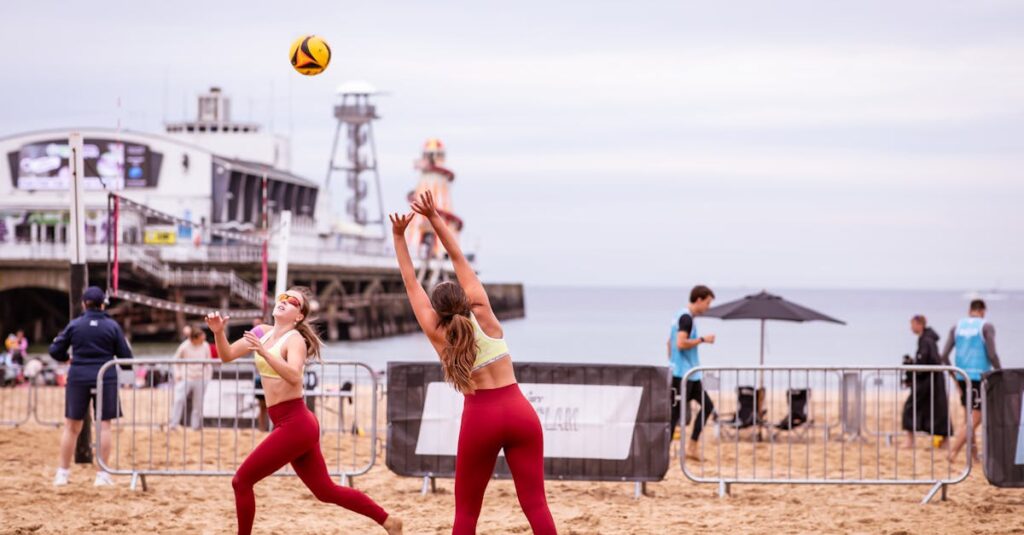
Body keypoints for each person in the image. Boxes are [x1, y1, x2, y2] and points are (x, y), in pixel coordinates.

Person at [391, 191, 556, 535]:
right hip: (520, 412)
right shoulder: (484, 314)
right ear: (464, 299)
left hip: (481, 416)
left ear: (439, 311)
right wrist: (435, 217)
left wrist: (399, 238)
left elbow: (410, 283)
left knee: (466, 513)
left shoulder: (439, 334)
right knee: (536, 504)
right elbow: (456, 255)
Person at [205, 287, 401, 535]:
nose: (284, 302)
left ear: (299, 316)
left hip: (295, 423)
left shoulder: (295, 339)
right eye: (282, 298)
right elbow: (227, 355)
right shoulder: (261, 333)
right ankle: (388, 522)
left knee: (241, 481)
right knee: (325, 491)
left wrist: (265, 353)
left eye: (292, 301)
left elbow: (294, 376)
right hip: (292, 423)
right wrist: (219, 333)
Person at [49, 286, 133, 487]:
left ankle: (63, 473)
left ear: (84, 304)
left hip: (78, 375)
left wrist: (67, 358)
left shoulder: (75, 325)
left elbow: (54, 350)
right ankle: (102, 475)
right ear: (103, 304)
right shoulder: (112, 326)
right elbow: (126, 358)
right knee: (104, 425)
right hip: (105, 375)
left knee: (71, 426)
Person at [941, 299, 1002, 462]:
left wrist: (954, 376)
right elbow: (992, 354)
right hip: (979, 376)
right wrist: (1000, 372)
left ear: (970, 310)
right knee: (976, 418)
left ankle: (974, 456)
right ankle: (953, 452)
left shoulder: (957, 327)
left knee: (968, 417)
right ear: (983, 311)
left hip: (962, 375)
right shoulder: (986, 326)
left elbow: (944, 356)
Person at [667, 285, 716, 462]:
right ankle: (666, 450)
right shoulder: (686, 318)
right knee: (674, 414)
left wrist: (671, 361)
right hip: (683, 375)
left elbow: (668, 342)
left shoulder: (680, 315)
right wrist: (703, 340)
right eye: (708, 303)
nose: (708, 307)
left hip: (688, 373)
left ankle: (692, 446)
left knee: (707, 406)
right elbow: (680, 343)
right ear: (699, 300)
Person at [900, 315, 950, 449]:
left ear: (919, 324)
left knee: (913, 408)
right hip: (929, 381)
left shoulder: (926, 340)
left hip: (929, 383)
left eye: (912, 324)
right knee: (934, 411)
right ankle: (941, 441)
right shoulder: (926, 339)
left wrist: (915, 367)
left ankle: (911, 441)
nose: (911, 328)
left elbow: (930, 361)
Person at [170, 324, 212, 430]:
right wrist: (177, 374)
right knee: (178, 400)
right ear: (194, 338)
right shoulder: (184, 346)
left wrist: (208, 378)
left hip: (201, 378)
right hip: (186, 377)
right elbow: (175, 361)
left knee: (198, 404)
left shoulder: (205, 345)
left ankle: (195, 426)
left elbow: (209, 362)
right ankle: (174, 424)